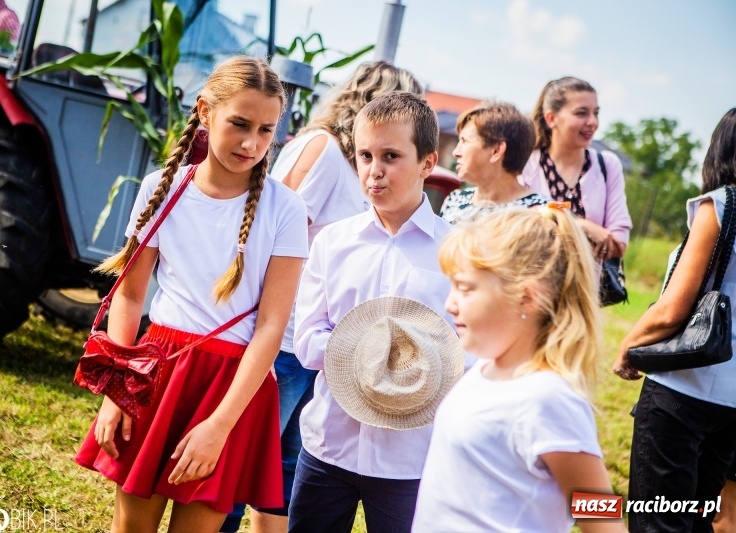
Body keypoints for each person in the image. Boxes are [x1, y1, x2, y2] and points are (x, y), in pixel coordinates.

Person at [73, 56, 309, 533]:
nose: (252, 143)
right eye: (239, 124)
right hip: (156, 373)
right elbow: (130, 296)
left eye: (266, 130)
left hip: (233, 384)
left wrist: (220, 426)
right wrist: (117, 393)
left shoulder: (285, 208)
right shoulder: (161, 191)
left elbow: (271, 326)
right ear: (204, 112)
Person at [221, 61, 423, 533]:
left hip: (316, 345)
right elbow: (268, 230)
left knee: (286, 470)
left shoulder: (352, 163)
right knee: (243, 463)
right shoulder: (325, 150)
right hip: (283, 336)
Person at [289, 91, 468, 533]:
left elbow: (468, 352)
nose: (374, 170)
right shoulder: (332, 243)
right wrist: (386, 350)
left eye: (391, 155)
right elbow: (308, 341)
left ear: (428, 163)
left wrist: (400, 360)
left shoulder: (457, 254)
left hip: (411, 460)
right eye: (365, 155)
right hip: (329, 446)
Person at [413, 206, 625, 533]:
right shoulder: (483, 371)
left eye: (466, 288)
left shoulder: (547, 399)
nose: (449, 304)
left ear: (525, 297)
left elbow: (600, 518)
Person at [613, 108, 736, 533]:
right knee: (698, 519)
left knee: (658, 522)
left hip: (684, 389)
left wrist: (629, 346)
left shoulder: (719, 205)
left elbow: (672, 308)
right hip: (732, 402)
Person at [520, 77, 631, 263]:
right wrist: (580, 226)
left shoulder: (608, 165)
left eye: (596, 113)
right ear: (551, 118)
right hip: (530, 287)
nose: (592, 122)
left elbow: (619, 243)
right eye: (581, 113)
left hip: (587, 290)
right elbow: (515, 224)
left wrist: (547, 220)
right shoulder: (525, 163)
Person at [440, 101, 548, 225]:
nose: (456, 152)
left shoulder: (539, 213)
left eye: (464, 141)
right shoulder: (455, 200)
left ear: (497, 150)